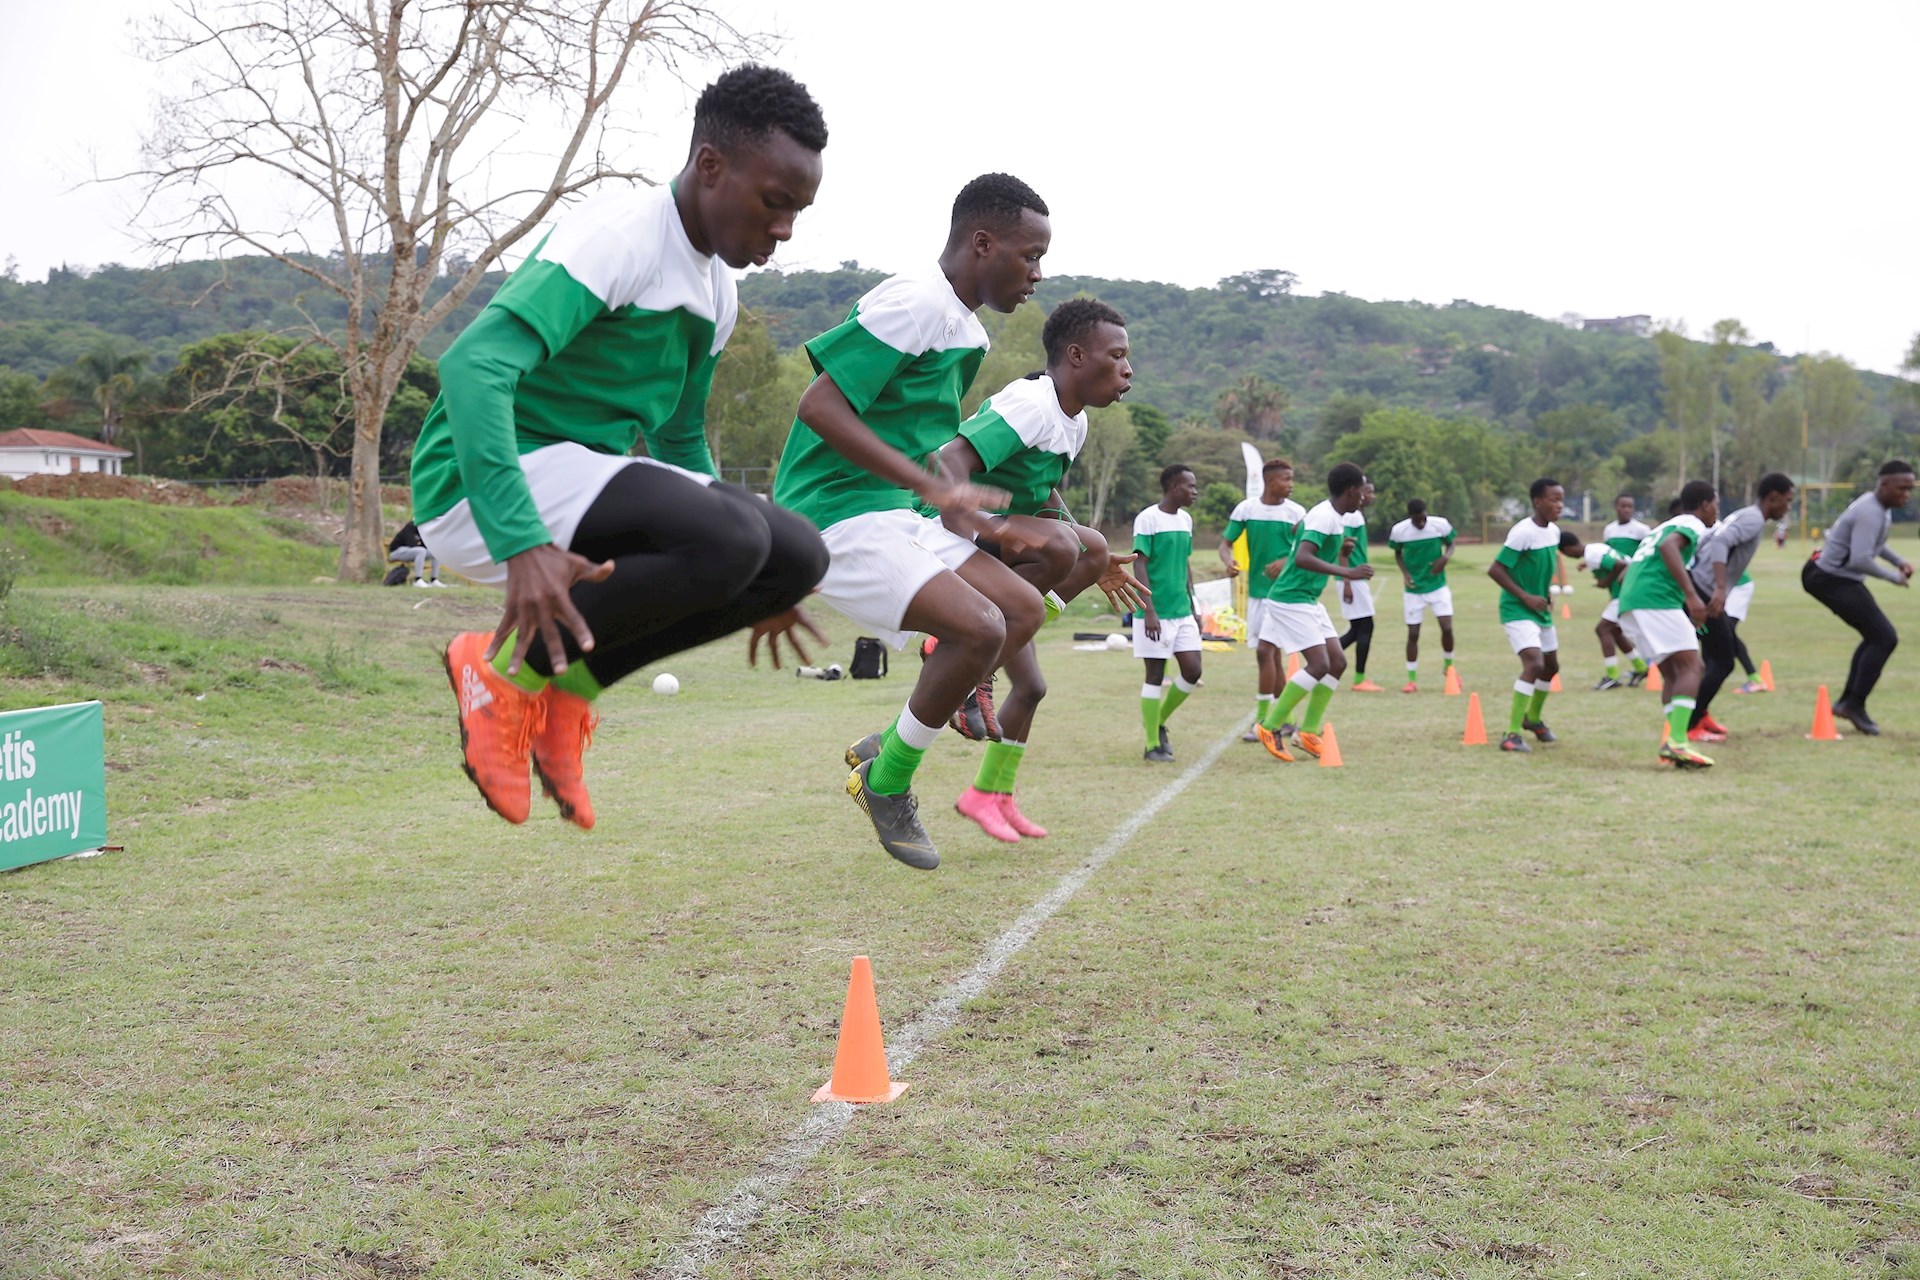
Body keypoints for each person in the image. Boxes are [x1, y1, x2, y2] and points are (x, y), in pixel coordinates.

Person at [411, 65, 832, 830]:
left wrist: (755, 573)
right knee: (739, 536)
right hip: (479, 485)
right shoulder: (618, 236)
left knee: (797, 556)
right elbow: (475, 364)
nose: (785, 231)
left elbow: (674, 436)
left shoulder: (717, 292)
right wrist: (522, 542)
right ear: (711, 166)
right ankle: (495, 674)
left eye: (798, 212)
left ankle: (567, 702)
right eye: (775, 203)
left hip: (579, 482)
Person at [776, 172, 1052, 870]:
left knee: (1019, 609)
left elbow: (923, 442)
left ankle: (898, 736)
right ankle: (887, 779)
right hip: (834, 513)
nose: (1037, 275)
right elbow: (819, 408)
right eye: (1029, 256)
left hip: (894, 511)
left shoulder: (968, 331)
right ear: (982, 243)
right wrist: (932, 485)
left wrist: (980, 523)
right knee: (981, 627)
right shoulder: (915, 302)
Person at [913, 298, 1147, 839]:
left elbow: (1044, 496)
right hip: (941, 537)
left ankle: (988, 795)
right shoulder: (1031, 402)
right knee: (1073, 548)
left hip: (998, 551)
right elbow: (948, 463)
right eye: (1117, 355)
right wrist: (957, 583)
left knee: (1034, 686)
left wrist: (1094, 555)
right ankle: (959, 648)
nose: (1128, 369)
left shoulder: (1076, 422)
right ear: (1076, 356)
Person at [1252, 463, 1372, 761]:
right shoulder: (1323, 516)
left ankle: (1307, 732)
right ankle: (1269, 726)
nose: (1366, 496)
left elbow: (1298, 533)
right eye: (1363, 490)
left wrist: (1336, 548)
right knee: (1319, 664)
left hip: (1307, 599)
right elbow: (1304, 557)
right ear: (1351, 490)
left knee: (1337, 662)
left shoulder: (1329, 516)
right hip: (1290, 598)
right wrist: (1348, 572)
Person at [1799, 460, 1917, 734]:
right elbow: (1861, 557)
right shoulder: (1871, 512)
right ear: (1884, 484)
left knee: (1878, 636)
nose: (1906, 495)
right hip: (1830, 579)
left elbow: (1874, 543)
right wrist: (1894, 578)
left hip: (1834, 577)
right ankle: (1852, 704)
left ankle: (1848, 702)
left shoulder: (1878, 507)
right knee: (1884, 637)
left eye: (1910, 489)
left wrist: (1898, 560)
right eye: (1902, 488)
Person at [1617, 479, 1720, 768]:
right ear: (1705, 505)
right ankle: (1677, 741)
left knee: (1674, 673)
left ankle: (1673, 742)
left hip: (1631, 602)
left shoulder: (1665, 524)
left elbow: (1628, 571)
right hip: (1655, 600)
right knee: (1693, 666)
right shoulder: (1692, 524)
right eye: (1716, 506)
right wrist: (1691, 597)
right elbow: (1668, 548)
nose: (1716, 513)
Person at [1686, 473, 1795, 741]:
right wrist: (1720, 588)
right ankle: (1690, 725)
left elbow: (1709, 540)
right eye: (1788, 501)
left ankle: (1700, 716)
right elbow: (1721, 542)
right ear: (1774, 497)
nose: (1788, 507)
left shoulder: (1746, 515)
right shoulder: (1754, 518)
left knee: (1713, 658)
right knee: (1724, 661)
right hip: (1706, 590)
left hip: (1700, 585)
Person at [1218, 459, 1305, 739]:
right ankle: (1286, 720)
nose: (1291, 484)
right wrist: (1228, 562)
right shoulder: (1246, 509)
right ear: (1270, 482)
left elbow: (1307, 549)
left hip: (1284, 596)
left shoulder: (1296, 513)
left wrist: (1286, 559)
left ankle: (1263, 724)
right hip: (1256, 595)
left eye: (1292, 479)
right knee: (1270, 656)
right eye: (1286, 479)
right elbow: (1225, 544)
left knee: (1265, 653)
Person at [1487, 478, 1572, 754]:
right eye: (1553, 499)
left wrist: (1545, 592)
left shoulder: (1554, 532)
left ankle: (1532, 719)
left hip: (1539, 609)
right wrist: (1525, 596)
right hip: (1516, 608)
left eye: (1561, 499)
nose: (1559, 505)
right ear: (1537, 501)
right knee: (1534, 664)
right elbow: (1496, 569)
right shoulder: (1522, 532)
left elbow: (1540, 568)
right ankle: (1510, 734)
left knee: (1551, 666)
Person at [1134, 465, 1201, 763]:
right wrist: (1149, 610)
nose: (1195, 492)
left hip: (1182, 611)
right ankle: (1151, 746)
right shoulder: (1148, 518)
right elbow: (1139, 564)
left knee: (1192, 671)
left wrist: (1194, 604)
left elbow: (1185, 564)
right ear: (1174, 487)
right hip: (1155, 612)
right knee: (1155, 676)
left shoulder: (1186, 519)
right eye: (1190, 486)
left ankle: (1158, 722)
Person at [1387, 497, 1455, 692]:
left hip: (1437, 586)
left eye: (1423, 518)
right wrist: (1405, 574)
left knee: (1447, 627)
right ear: (1410, 518)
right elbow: (1397, 553)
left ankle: (1448, 667)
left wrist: (1445, 558)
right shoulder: (1400, 531)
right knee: (1413, 633)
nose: (1421, 522)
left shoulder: (1440, 525)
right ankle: (1411, 679)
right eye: (1417, 520)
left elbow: (1451, 544)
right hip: (1414, 589)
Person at [1594, 494, 1652, 688]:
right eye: (1623, 506)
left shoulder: (1641, 530)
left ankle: (1612, 675)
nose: (1626, 509)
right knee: (1616, 631)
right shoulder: (1609, 530)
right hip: (1615, 587)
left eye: (1630, 506)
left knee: (1603, 628)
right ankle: (1641, 667)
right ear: (1616, 507)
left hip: (1631, 586)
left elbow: (1649, 556)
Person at [1336, 478, 1383, 691]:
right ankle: (1359, 679)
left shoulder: (1356, 515)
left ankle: (1323, 660)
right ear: (1357, 492)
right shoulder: (1352, 517)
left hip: (1355, 578)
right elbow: (1342, 548)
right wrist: (1347, 580)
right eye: (1368, 491)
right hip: (1352, 579)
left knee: (1356, 630)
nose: (1372, 496)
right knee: (1366, 626)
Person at [386, 520, 444, 587]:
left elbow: (425, 545)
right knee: (421, 551)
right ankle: (418, 580)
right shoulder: (411, 526)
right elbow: (411, 544)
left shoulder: (424, 529)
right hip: (397, 552)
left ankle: (434, 580)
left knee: (435, 552)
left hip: (411, 552)